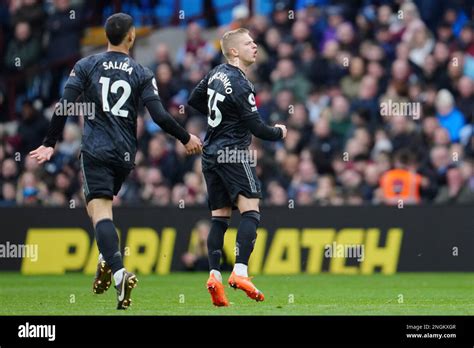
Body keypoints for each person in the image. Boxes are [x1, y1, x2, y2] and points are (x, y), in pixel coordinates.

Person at [29, 13, 202, 310]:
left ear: (105, 36)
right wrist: (186, 137)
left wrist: (49, 142)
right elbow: (159, 115)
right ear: (132, 36)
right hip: (124, 155)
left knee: (101, 214)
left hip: (96, 150)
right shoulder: (141, 72)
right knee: (98, 212)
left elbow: (66, 104)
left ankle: (119, 272)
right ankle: (105, 259)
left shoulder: (86, 65)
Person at [188, 28, 287, 307]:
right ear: (233, 51)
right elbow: (258, 128)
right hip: (233, 153)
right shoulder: (242, 85)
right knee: (251, 212)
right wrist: (279, 132)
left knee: (219, 218)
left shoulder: (215, 73)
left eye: (254, 42)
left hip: (210, 154)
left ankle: (214, 277)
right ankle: (240, 272)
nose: (255, 46)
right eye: (248, 43)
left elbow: (194, 101)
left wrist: (224, 117)